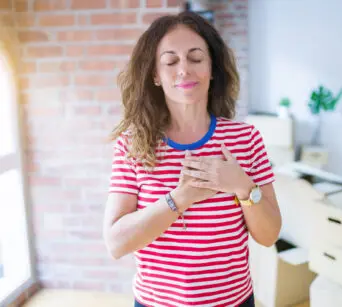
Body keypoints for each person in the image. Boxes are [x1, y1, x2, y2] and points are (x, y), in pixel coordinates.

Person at [103, 11, 282, 307]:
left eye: (196, 58)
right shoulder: (132, 144)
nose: (184, 70)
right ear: (155, 76)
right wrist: (179, 198)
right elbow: (116, 243)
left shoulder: (246, 139)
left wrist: (243, 187)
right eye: (171, 61)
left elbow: (269, 235)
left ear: (212, 69)